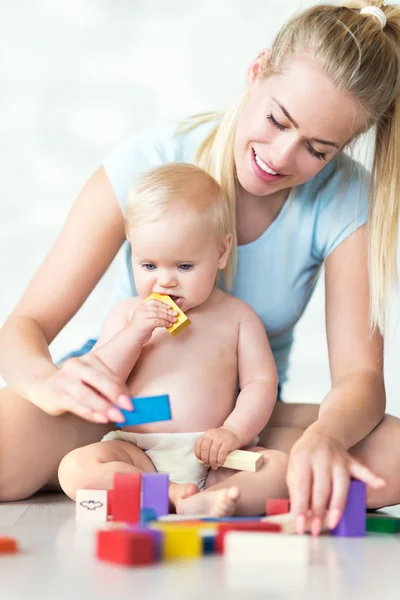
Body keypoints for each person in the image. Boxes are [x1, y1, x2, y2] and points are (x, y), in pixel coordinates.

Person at [0, 2, 399, 536]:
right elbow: (23, 330)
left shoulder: (345, 198)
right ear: (256, 70)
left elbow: (360, 379)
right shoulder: (150, 162)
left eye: (318, 150)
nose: (281, 156)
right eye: (278, 120)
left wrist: (324, 436)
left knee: (392, 453)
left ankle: (183, 492)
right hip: (119, 410)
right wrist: (50, 388)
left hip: (237, 423)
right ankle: (131, 474)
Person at [58, 163, 283, 517]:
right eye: (149, 266)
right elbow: (102, 379)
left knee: (281, 468)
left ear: (221, 252)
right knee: (74, 467)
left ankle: (213, 499)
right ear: (132, 251)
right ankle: (170, 494)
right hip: (138, 452)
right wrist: (135, 333)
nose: (165, 282)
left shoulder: (237, 317)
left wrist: (232, 433)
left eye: (184, 266)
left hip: (213, 453)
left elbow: (260, 383)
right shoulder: (125, 314)